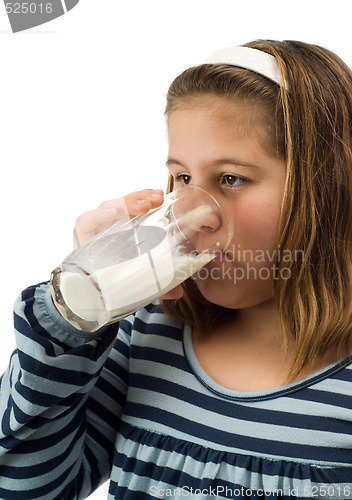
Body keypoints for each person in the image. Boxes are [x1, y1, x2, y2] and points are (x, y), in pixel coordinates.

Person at [1, 39, 352, 499]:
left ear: (327, 185)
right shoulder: (149, 333)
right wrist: (71, 315)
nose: (191, 214)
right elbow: (22, 486)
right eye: (183, 178)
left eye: (231, 178)